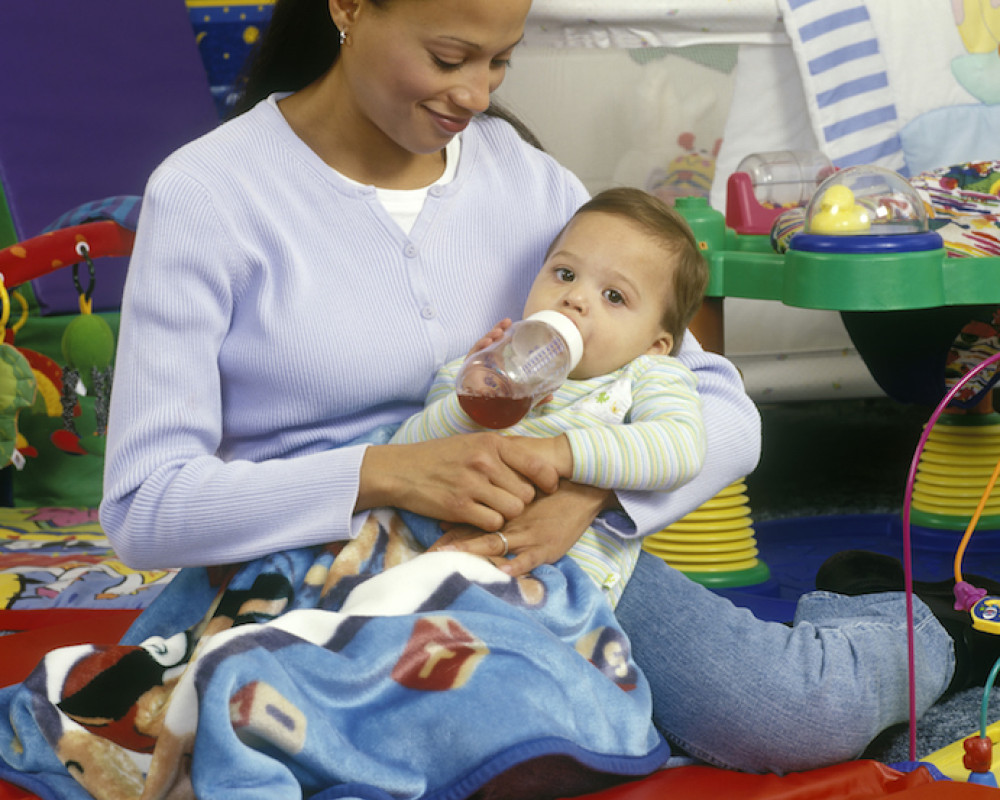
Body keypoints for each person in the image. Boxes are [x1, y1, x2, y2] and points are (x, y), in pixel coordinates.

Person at [98, 0, 971, 777]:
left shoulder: (524, 181)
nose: (476, 96)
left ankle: (913, 621)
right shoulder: (208, 195)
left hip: (538, 548)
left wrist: (592, 495)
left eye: (501, 59)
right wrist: (386, 474)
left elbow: (725, 413)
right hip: (311, 565)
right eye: (449, 58)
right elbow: (145, 507)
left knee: (789, 714)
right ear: (349, 7)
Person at [391, 187, 709, 608]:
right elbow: (405, 452)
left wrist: (561, 453)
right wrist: (468, 405)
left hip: (564, 587)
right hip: (447, 561)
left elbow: (679, 448)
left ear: (655, 344)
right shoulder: (481, 367)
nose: (575, 298)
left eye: (613, 296)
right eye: (565, 274)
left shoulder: (646, 374)